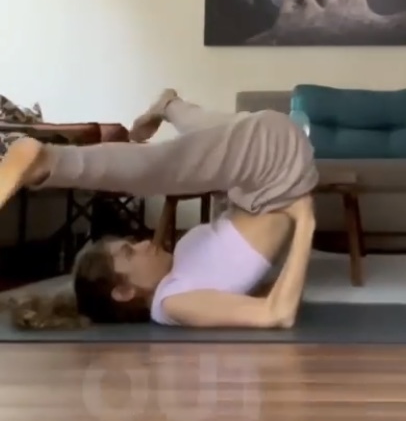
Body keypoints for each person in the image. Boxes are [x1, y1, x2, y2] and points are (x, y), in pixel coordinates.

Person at [0, 91, 319, 329]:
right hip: (279, 178)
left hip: (265, 179)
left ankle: (52, 161)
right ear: (124, 291)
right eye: (130, 252)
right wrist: (305, 222)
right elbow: (277, 314)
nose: (142, 243)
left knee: (191, 156)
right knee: (171, 162)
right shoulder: (173, 302)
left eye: (131, 243)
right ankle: (53, 160)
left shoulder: (179, 270)